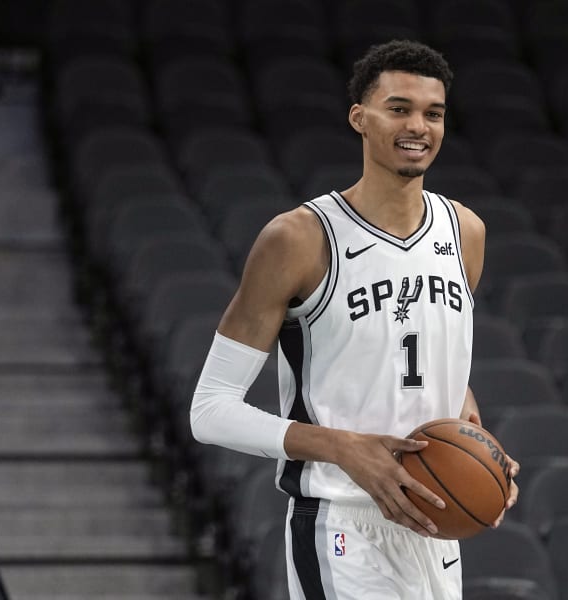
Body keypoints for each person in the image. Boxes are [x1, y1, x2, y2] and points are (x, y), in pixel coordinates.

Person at [190, 39, 519, 599]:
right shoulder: (298, 238)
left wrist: (477, 443)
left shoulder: (465, 232)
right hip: (342, 526)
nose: (418, 125)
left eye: (433, 113)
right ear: (359, 118)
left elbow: (435, 365)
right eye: (399, 108)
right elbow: (210, 410)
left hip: (437, 529)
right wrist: (343, 447)